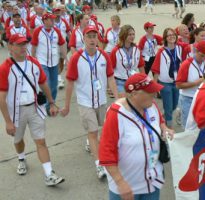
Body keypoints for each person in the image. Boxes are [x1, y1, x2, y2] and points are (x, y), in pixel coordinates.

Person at [0, 34, 64, 186]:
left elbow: (43, 84)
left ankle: (49, 174)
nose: (24, 47)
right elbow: (1, 97)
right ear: (10, 47)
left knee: (41, 141)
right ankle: (21, 158)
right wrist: (8, 121)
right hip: (16, 111)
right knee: (18, 139)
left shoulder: (34, 63)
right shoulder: (5, 68)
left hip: (35, 108)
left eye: (25, 44)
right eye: (19, 44)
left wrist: (52, 102)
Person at [99, 73, 174, 200]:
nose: (154, 94)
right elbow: (106, 153)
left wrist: (165, 128)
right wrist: (120, 183)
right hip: (127, 187)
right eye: (150, 92)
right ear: (134, 94)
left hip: (152, 182)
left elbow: (159, 120)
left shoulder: (151, 105)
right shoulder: (116, 114)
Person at [61, 26, 118, 179]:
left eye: (95, 36)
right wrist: (66, 106)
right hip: (85, 101)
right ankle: (99, 165)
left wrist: (118, 99)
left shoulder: (104, 56)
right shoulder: (76, 58)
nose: (92, 39)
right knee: (93, 132)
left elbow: (111, 77)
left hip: (101, 100)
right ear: (84, 39)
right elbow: (70, 82)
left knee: (102, 129)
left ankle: (90, 142)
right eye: (89, 36)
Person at [31, 13, 67, 113]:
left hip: (54, 62)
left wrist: (65, 59)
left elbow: (62, 44)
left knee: (54, 85)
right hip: (42, 62)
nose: (53, 21)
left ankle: (51, 103)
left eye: (53, 19)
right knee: (46, 83)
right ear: (45, 20)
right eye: (51, 19)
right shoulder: (38, 31)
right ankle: (47, 106)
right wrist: (32, 60)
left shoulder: (56, 31)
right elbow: (33, 46)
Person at [152, 28, 184, 128]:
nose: (171, 36)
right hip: (165, 83)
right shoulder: (161, 51)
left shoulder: (179, 48)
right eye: (169, 35)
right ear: (165, 38)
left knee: (174, 105)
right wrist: (154, 87)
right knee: (169, 107)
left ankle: (163, 118)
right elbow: (156, 69)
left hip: (176, 82)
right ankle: (169, 129)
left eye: (173, 34)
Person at [176, 40, 205, 128]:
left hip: (201, 98)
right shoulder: (186, 64)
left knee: (199, 125)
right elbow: (178, 85)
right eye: (201, 55)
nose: (203, 58)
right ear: (196, 51)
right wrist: (196, 83)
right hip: (187, 98)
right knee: (188, 127)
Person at [110, 24, 145, 97]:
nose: (132, 36)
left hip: (134, 82)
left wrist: (145, 81)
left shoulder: (137, 49)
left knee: (134, 103)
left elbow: (141, 66)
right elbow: (110, 70)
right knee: (125, 103)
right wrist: (110, 86)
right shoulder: (115, 51)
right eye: (129, 34)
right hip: (120, 82)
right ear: (123, 35)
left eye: (133, 34)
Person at [53, 7, 71, 90]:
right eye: (56, 13)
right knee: (55, 61)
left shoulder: (64, 22)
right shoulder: (51, 22)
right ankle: (58, 78)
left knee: (61, 61)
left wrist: (71, 42)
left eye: (58, 12)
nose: (57, 14)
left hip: (63, 45)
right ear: (53, 14)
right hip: (54, 45)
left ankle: (58, 76)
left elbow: (68, 33)